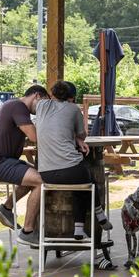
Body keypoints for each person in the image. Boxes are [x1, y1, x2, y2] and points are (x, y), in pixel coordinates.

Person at [36, 81, 112, 239]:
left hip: (45, 173)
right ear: (71, 98)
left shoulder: (41, 106)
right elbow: (82, 134)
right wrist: (77, 139)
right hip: (70, 169)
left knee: (80, 184)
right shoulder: (73, 109)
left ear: (52, 94)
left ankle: (80, 229)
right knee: (86, 183)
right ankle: (98, 215)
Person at [0, 85, 49, 246]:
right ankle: (28, 231)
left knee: (33, 177)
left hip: (4, 161)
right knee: (42, 181)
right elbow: (34, 136)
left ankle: (6, 208)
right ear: (37, 96)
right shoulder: (18, 106)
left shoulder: (14, 106)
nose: (43, 108)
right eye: (44, 103)